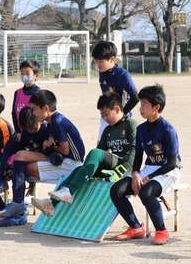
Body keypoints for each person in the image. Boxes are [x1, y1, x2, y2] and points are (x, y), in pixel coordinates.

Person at [32, 91, 137, 217]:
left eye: (106, 114)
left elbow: (134, 151)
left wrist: (124, 172)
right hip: (113, 166)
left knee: (94, 153)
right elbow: (101, 154)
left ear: (117, 109)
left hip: (124, 168)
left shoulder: (131, 124)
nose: (104, 118)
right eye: (102, 116)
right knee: (79, 170)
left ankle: (68, 191)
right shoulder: (108, 130)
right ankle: (51, 204)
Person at [0, 90, 85, 226]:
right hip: (63, 162)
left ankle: (19, 206)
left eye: (35, 109)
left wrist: (50, 146)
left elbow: (65, 150)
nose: (34, 113)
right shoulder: (51, 123)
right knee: (20, 160)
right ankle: (18, 207)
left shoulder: (57, 121)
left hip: (71, 164)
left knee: (20, 160)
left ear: (46, 108)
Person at [110, 84, 181, 245]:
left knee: (146, 192)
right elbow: (138, 155)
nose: (140, 107)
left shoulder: (168, 130)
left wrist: (148, 177)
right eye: (140, 103)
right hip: (149, 169)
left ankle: (162, 230)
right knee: (116, 190)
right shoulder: (141, 129)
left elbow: (172, 163)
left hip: (169, 171)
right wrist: (135, 173)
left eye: (144, 104)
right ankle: (135, 228)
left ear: (156, 107)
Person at [0, 106, 49, 225]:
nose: (31, 131)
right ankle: (18, 210)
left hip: (45, 162)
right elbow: (9, 153)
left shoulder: (47, 130)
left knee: (19, 157)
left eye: (34, 128)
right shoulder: (24, 133)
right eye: (28, 129)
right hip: (25, 163)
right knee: (12, 154)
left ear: (39, 120)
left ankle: (18, 209)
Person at [92, 40, 139, 141]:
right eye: (96, 61)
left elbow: (135, 96)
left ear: (112, 59)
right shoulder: (102, 72)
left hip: (121, 118)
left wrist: (122, 113)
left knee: (119, 148)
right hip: (106, 116)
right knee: (101, 146)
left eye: (101, 61)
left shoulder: (122, 75)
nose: (98, 64)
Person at [11, 60, 41, 134]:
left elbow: (42, 116)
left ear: (36, 75)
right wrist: (18, 132)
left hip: (35, 133)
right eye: (22, 73)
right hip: (21, 133)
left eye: (27, 73)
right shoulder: (17, 93)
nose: (24, 76)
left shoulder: (39, 93)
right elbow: (14, 113)